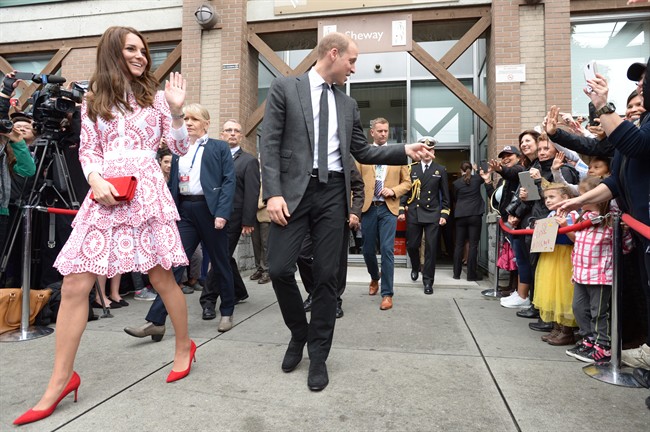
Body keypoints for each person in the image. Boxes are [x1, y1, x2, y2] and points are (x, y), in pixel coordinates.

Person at [13, 26, 195, 426]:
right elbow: (89, 151)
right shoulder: (93, 100)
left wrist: (178, 111)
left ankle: (185, 346)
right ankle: (61, 379)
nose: (140, 55)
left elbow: (179, 148)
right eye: (131, 48)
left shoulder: (158, 99)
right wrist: (94, 180)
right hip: (104, 194)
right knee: (77, 282)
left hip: (145, 191)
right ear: (113, 52)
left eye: (143, 50)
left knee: (162, 278)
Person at [260, 32, 433, 392]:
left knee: (326, 277)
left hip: (331, 196)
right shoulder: (285, 88)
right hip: (292, 194)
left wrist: (406, 149)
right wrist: (273, 193)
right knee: (278, 268)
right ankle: (299, 333)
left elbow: (364, 151)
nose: (354, 68)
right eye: (352, 61)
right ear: (334, 54)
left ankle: (318, 354)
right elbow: (271, 143)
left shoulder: (347, 104)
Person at [555, 58, 650, 380]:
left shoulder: (638, 133)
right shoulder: (632, 133)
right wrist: (578, 201)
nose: (639, 89)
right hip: (638, 229)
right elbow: (615, 181)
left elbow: (633, 146)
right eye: (636, 88)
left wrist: (601, 104)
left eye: (643, 85)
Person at [124, 103, 236, 340]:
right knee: (173, 264)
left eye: (194, 119)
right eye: (185, 119)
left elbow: (228, 182)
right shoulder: (177, 150)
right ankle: (155, 321)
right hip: (184, 210)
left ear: (206, 123)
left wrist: (222, 213)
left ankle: (227, 311)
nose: (189, 123)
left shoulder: (219, 147)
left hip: (210, 209)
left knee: (220, 262)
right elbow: (173, 183)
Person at [565, 177, 633, 363]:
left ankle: (603, 345)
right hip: (580, 274)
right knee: (579, 308)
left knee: (599, 312)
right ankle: (589, 339)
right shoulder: (582, 218)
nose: (580, 199)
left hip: (601, 276)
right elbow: (578, 246)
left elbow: (626, 248)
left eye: (583, 196)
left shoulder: (612, 219)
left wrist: (625, 232)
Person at [201, 119, 260, 304]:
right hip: (211, 214)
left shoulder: (248, 161)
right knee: (223, 255)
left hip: (234, 217)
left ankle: (208, 299)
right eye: (228, 130)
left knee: (221, 255)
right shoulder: (212, 156)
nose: (232, 133)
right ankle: (239, 291)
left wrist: (248, 220)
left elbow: (252, 192)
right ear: (222, 134)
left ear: (241, 136)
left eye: (236, 131)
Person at [356, 117, 411, 310]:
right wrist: (353, 210)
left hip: (389, 208)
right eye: (379, 131)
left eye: (386, 131)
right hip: (369, 208)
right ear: (372, 132)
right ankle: (374, 277)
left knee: (387, 250)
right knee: (368, 250)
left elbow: (408, 183)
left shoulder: (397, 155)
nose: (383, 134)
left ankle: (387, 294)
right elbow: (355, 182)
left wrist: (394, 191)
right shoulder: (362, 155)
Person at [300, 160, 364, 318]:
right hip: (307, 214)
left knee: (336, 261)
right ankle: (314, 292)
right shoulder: (305, 151)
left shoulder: (342, 154)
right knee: (302, 253)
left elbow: (358, 186)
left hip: (336, 214)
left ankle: (335, 299)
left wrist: (355, 212)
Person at [531, 182, 579, 346]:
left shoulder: (572, 215)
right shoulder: (551, 215)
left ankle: (567, 330)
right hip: (550, 255)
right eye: (546, 198)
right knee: (550, 291)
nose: (548, 201)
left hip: (564, 256)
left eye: (552, 197)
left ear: (565, 197)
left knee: (564, 292)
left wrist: (564, 226)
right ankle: (557, 327)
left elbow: (575, 238)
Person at [402, 137, 450, 295]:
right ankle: (416, 266)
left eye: (431, 150)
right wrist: (402, 208)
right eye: (425, 150)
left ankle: (428, 281)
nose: (427, 153)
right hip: (415, 212)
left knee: (430, 248)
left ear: (434, 152)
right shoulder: (411, 169)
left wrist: (444, 213)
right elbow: (406, 190)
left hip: (432, 213)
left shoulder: (440, 169)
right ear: (419, 151)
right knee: (412, 245)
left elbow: (445, 194)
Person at [451, 161, 485, 281]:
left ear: (461, 170)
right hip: (475, 214)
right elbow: (485, 174)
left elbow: (455, 198)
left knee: (459, 245)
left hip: (461, 215)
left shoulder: (456, 183)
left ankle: (456, 274)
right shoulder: (477, 179)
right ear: (471, 169)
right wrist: (477, 169)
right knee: (473, 245)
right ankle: (471, 275)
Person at [250, 181, 271, 284]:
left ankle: (267, 271)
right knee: (256, 244)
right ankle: (259, 269)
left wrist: (256, 204)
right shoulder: (253, 173)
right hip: (253, 216)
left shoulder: (268, 173)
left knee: (265, 244)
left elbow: (270, 194)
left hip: (265, 215)